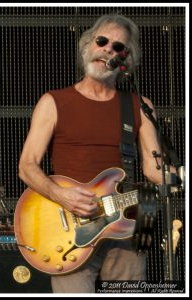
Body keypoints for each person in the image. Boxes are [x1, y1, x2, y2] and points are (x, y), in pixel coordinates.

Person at [18, 14, 174, 293]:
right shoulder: (54, 101)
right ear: (88, 45)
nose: (108, 50)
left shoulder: (140, 105)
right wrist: (61, 195)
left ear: (125, 60)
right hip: (70, 228)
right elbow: (26, 166)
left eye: (118, 48)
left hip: (129, 222)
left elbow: (154, 171)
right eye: (102, 41)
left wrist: (180, 177)